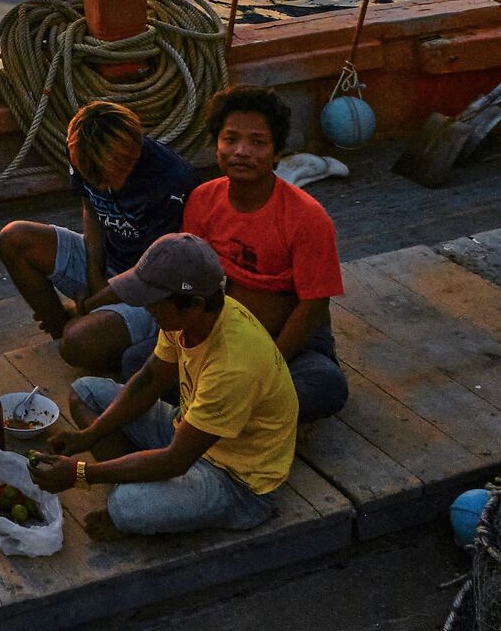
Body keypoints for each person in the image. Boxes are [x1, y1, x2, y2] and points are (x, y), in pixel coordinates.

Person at [74, 86, 348, 422]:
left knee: (325, 385)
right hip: (219, 332)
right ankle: (242, 415)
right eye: (230, 139)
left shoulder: (308, 217)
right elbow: (188, 284)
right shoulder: (202, 200)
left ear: (277, 153)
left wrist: (268, 364)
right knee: (135, 362)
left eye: (257, 142)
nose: (241, 151)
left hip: (287, 341)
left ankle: (221, 412)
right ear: (216, 144)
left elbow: (313, 306)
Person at [27, 233, 296, 538]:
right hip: (188, 429)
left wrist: (80, 473)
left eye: (154, 302)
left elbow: (175, 460)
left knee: (125, 505)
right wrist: (89, 436)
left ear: (194, 304)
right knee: (85, 392)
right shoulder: (188, 320)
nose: (146, 308)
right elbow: (149, 381)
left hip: (238, 482)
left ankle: (139, 492)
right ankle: (143, 482)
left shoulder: (233, 365)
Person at [0, 100, 199, 377]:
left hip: (152, 289)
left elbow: (152, 271)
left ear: (132, 154)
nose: (99, 184)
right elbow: (91, 209)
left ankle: (87, 331)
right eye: (91, 176)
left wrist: (90, 304)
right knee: (13, 238)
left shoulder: (170, 181)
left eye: (109, 176)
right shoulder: (82, 151)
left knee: (78, 342)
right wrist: (94, 277)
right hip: (109, 262)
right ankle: (68, 330)